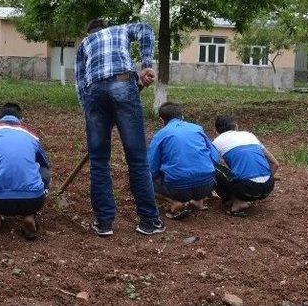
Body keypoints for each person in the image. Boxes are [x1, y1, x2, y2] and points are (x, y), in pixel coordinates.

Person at [74, 17, 163, 236]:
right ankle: (149, 222)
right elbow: (145, 29)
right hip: (123, 84)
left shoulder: (84, 44)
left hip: (94, 92)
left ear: (89, 33)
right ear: (105, 28)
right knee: (137, 159)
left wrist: (93, 113)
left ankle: (104, 223)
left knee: (99, 161)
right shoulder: (119, 30)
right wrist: (146, 65)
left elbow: (79, 83)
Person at [0, 103, 51, 240]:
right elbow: (45, 163)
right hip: (33, 200)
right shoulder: (31, 136)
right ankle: (29, 215)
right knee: (43, 169)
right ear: (21, 121)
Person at [148, 102, 218, 220]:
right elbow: (214, 156)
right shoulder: (197, 129)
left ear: (161, 120)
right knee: (199, 168)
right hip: (207, 185)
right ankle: (199, 202)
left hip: (178, 189)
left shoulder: (160, 135)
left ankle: (175, 201)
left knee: (145, 180)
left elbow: (151, 168)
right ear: (182, 116)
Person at [212, 115, 279, 216]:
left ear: (216, 132)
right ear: (236, 126)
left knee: (211, 166)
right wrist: (265, 180)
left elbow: (205, 165)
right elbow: (275, 164)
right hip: (268, 188)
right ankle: (243, 197)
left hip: (246, 189)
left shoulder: (217, 141)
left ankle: (237, 201)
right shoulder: (249, 135)